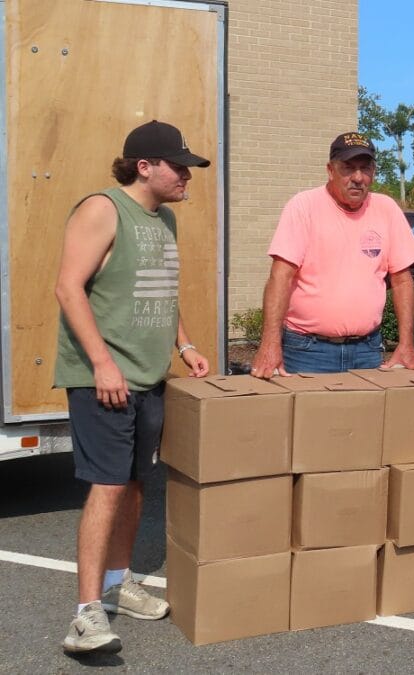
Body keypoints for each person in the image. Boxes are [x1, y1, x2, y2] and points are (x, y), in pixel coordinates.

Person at [54, 120, 212, 654]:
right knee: (107, 485)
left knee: (135, 482)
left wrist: (185, 346)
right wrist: (101, 363)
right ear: (144, 166)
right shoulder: (102, 208)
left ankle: (121, 586)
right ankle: (86, 614)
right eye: (179, 166)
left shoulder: (163, 217)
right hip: (105, 379)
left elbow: (162, 290)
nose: (187, 176)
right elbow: (68, 288)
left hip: (147, 376)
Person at [250, 132, 414, 378]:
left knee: (367, 418)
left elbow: (401, 280)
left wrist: (406, 345)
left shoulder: (386, 209)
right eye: (348, 168)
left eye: (365, 168)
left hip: (368, 350)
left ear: (374, 172)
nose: (357, 178)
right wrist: (270, 343)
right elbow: (280, 277)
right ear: (330, 170)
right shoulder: (303, 206)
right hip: (308, 351)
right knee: (309, 418)